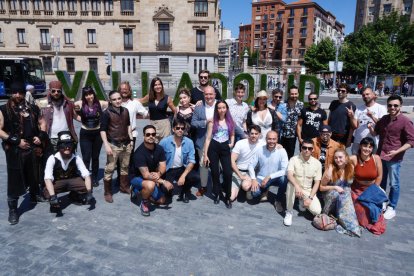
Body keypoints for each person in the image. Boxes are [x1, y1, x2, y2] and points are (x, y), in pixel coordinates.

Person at [0, 82, 48, 224]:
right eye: (15, 92)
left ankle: (34, 195)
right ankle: (13, 209)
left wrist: (40, 136)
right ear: (11, 93)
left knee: (34, 172)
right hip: (14, 149)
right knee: (15, 179)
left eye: (20, 92)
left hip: (32, 146)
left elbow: (42, 123)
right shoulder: (3, 109)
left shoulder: (32, 107)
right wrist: (15, 141)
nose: (17, 95)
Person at [368, 95, 414, 220]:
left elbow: (411, 141)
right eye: (390, 105)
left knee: (394, 184)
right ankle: (382, 202)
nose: (392, 107)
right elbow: (376, 133)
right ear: (387, 106)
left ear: (400, 106)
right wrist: (371, 128)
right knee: (381, 180)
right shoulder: (384, 119)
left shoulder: (405, 121)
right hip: (380, 155)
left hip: (394, 158)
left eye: (395, 105)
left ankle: (392, 207)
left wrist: (397, 151)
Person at [44, 131, 94, 214]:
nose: (67, 148)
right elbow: (47, 178)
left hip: (72, 180)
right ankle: (54, 204)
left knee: (88, 184)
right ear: (59, 147)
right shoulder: (52, 158)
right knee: (47, 191)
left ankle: (74, 195)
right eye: (64, 145)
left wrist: (89, 192)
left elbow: (86, 175)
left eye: (69, 145)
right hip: (58, 182)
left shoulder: (76, 158)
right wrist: (52, 196)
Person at [100, 90, 133, 203]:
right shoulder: (106, 113)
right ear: (110, 100)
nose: (117, 101)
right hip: (113, 145)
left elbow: (128, 125)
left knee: (125, 167)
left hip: (126, 144)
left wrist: (131, 139)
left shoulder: (126, 111)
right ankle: (107, 192)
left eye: (119, 98)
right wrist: (106, 145)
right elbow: (103, 130)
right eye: (114, 99)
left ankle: (123, 187)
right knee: (109, 169)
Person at [130, 125, 170, 216]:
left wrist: (158, 173)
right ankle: (143, 201)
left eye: (153, 134)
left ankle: (142, 192)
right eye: (148, 134)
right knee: (150, 184)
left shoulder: (159, 149)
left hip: (151, 176)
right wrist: (163, 181)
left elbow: (163, 166)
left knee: (162, 200)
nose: (151, 136)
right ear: (144, 136)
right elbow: (146, 175)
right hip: (137, 177)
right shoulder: (139, 153)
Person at [349, 137, 386, 235]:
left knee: (373, 209)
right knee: (361, 208)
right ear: (360, 146)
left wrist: (373, 190)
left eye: (370, 147)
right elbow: (340, 161)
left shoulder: (376, 158)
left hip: (372, 189)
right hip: (357, 189)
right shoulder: (354, 158)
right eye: (365, 146)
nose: (367, 149)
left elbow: (379, 175)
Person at [320, 149, 361, 236]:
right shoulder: (331, 170)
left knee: (348, 198)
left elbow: (356, 157)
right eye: (335, 158)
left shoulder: (351, 167)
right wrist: (335, 187)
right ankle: (328, 212)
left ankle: (350, 225)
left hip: (345, 195)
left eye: (340, 157)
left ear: (346, 157)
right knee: (337, 194)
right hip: (331, 193)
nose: (338, 160)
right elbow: (321, 187)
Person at [74, 86, 108, 187]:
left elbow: (113, 102)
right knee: (86, 157)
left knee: (95, 157)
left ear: (93, 94)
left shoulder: (101, 103)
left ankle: (94, 178)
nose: (89, 96)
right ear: (84, 96)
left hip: (98, 133)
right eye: (86, 95)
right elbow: (71, 109)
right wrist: (80, 119)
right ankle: (86, 177)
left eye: (90, 94)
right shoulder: (79, 104)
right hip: (85, 133)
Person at [203, 100, 235, 208]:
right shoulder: (212, 121)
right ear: (217, 109)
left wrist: (232, 142)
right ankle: (216, 194)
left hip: (225, 147)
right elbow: (208, 139)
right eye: (219, 108)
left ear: (226, 109)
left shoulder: (230, 121)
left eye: (223, 107)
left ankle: (228, 196)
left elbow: (232, 134)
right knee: (215, 172)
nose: (221, 110)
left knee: (228, 173)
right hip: (214, 147)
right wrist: (205, 154)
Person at [159, 118, 200, 203]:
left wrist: (183, 176)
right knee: (165, 190)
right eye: (177, 128)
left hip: (182, 168)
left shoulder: (189, 142)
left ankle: (184, 192)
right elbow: (157, 158)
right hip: (168, 169)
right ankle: (169, 192)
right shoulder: (164, 142)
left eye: (182, 128)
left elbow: (192, 161)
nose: (180, 130)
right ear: (173, 129)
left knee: (195, 177)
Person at [284, 139, 322, 226]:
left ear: (313, 150)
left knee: (317, 211)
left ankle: (302, 200)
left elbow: (317, 183)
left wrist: (310, 198)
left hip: (307, 190)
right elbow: (289, 175)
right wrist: (297, 186)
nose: (307, 150)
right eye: (304, 148)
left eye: (309, 148)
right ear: (301, 148)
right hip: (295, 187)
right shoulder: (293, 159)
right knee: (290, 184)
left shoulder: (317, 163)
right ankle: (289, 212)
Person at [248, 130, 288, 212]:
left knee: (284, 179)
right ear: (266, 139)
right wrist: (253, 179)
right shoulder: (260, 150)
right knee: (255, 193)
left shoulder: (282, 151)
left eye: (274, 139)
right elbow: (251, 165)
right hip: (261, 177)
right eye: (269, 139)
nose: (271, 141)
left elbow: (285, 170)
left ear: (277, 139)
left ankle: (278, 200)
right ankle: (265, 189)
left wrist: (269, 177)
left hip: (276, 178)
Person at [191, 85, 217, 197]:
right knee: (203, 165)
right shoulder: (199, 107)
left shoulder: (220, 105)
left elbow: (229, 121)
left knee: (218, 165)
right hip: (202, 141)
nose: (209, 96)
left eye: (211, 94)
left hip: (217, 141)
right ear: (203, 95)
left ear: (215, 95)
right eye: (206, 94)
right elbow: (193, 122)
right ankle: (203, 186)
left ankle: (218, 186)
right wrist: (205, 122)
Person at [39, 80, 78, 153]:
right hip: (51, 138)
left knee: (67, 162)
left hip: (66, 137)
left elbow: (76, 116)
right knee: (52, 161)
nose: (56, 93)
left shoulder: (68, 103)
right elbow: (39, 120)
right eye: (53, 91)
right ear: (50, 91)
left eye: (58, 91)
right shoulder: (42, 103)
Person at [230, 124, 264, 202]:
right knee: (231, 197)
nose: (254, 136)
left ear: (259, 135)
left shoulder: (262, 144)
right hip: (238, 171)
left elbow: (274, 144)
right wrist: (240, 175)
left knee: (245, 186)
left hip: (250, 172)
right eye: (252, 133)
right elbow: (232, 161)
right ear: (248, 133)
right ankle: (236, 187)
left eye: (256, 134)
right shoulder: (240, 143)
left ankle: (247, 190)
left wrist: (279, 146)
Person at [350, 87, 387, 154]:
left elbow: (383, 125)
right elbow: (355, 126)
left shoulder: (381, 108)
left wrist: (372, 116)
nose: (365, 96)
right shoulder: (359, 108)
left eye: (367, 94)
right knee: (355, 162)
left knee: (371, 163)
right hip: (358, 141)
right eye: (363, 95)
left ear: (373, 94)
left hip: (372, 143)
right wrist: (352, 116)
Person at [140, 77, 176, 142]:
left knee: (164, 146)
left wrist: (175, 124)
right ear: (152, 87)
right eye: (155, 85)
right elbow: (139, 101)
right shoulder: (149, 97)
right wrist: (126, 100)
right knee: (153, 145)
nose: (158, 86)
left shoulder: (167, 98)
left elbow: (175, 111)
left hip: (164, 125)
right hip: (152, 124)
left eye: (159, 84)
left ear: (162, 86)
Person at [280, 85, 304, 159]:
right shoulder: (283, 104)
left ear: (298, 94)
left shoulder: (301, 105)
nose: (294, 95)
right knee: (280, 154)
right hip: (282, 134)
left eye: (295, 93)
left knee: (290, 155)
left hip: (293, 135)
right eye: (292, 94)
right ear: (289, 94)